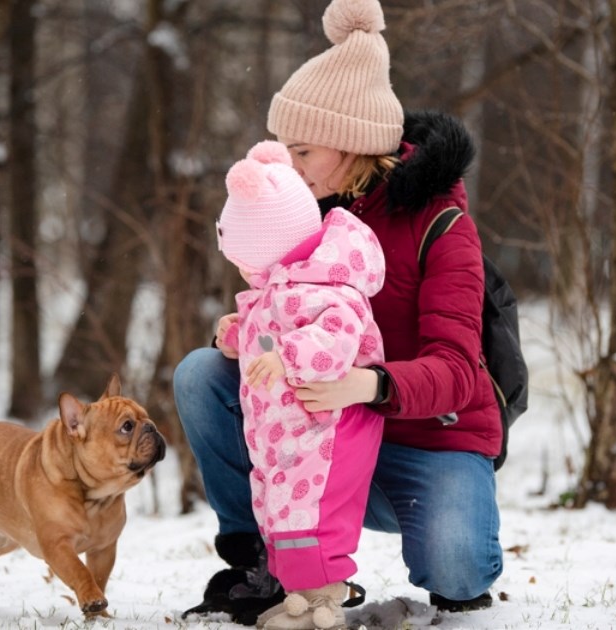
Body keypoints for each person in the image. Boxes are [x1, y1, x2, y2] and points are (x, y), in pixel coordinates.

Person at [176, 0, 504, 626]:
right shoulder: (305, 209)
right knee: (201, 375)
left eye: (303, 152)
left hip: (423, 440)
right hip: (317, 437)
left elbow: (459, 371)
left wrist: (368, 383)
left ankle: (453, 556)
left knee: (456, 564)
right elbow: (281, 306)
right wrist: (248, 337)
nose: (289, 171)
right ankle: (270, 565)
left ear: (353, 144)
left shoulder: (442, 223)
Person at [213, 139, 387, 630]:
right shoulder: (283, 284)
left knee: (311, 515)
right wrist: (238, 334)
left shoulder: (327, 286)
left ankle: (321, 603)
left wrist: (285, 356)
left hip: (324, 431)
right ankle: (298, 597)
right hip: (282, 432)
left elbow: (337, 337)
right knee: (279, 510)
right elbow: (267, 326)